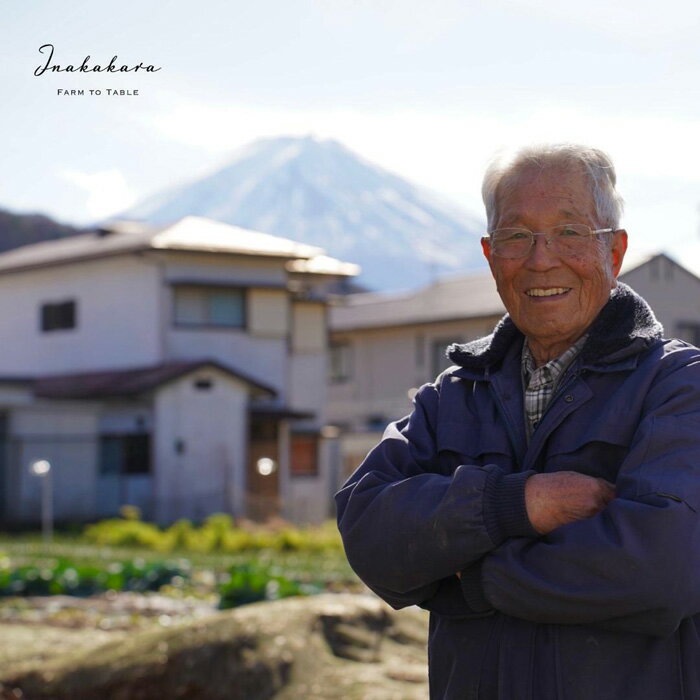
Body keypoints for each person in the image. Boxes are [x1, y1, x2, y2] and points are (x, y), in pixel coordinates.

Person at [335, 143, 700, 699]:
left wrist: (471, 580)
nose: (541, 259)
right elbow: (368, 531)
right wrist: (515, 504)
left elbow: (661, 571)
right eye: (516, 236)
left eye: (571, 233)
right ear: (490, 254)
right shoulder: (452, 395)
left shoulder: (680, 386)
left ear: (615, 250)